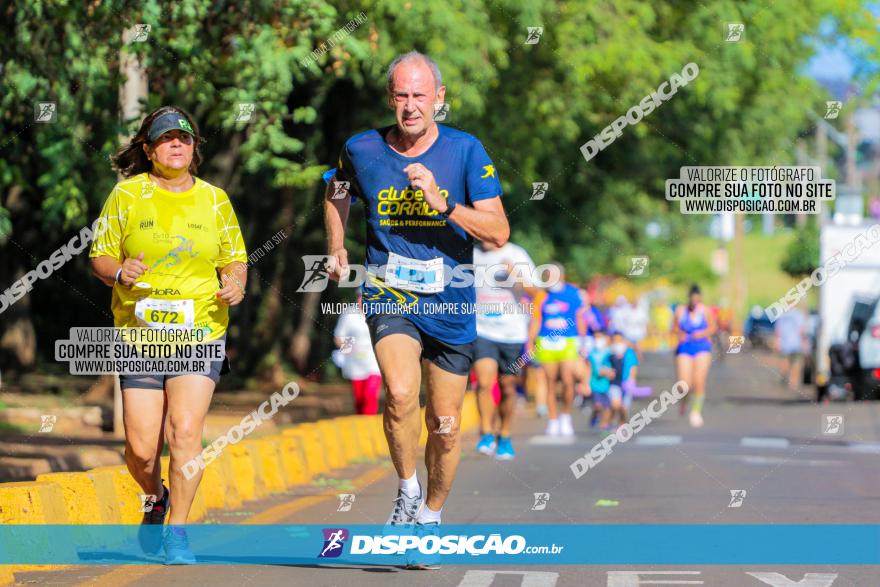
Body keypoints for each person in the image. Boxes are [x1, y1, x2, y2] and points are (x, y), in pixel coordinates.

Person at [323, 51, 509, 561]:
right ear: (391, 98)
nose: (410, 106)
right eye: (401, 95)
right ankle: (406, 492)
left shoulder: (467, 151)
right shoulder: (361, 148)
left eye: (420, 96)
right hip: (389, 292)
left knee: (445, 429)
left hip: (451, 302)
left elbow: (498, 232)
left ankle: (431, 513)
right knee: (401, 395)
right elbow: (336, 188)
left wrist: (444, 202)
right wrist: (336, 244)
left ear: (439, 99)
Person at [89, 106, 247, 564]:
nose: (177, 144)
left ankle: (177, 529)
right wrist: (120, 272)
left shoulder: (215, 199)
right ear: (148, 148)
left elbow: (235, 258)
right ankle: (155, 497)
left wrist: (235, 281)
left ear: (195, 148)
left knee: (184, 432)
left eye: (185, 138)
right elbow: (100, 256)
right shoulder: (126, 196)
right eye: (166, 139)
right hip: (141, 336)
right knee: (140, 449)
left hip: (200, 330)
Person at [472, 239, 536, 460]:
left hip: (512, 332)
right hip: (482, 330)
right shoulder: (473, 254)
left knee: (508, 388)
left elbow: (537, 292)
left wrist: (516, 276)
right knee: (483, 383)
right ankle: (487, 433)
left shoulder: (517, 254)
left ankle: (505, 435)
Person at [527, 265, 587, 437]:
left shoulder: (572, 293)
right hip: (546, 341)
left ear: (561, 275)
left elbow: (579, 317)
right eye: (547, 274)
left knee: (568, 380)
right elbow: (536, 320)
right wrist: (530, 342)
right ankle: (553, 420)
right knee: (550, 381)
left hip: (568, 340)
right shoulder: (542, 296)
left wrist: (583, 342)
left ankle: (566, 416)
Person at [672, 285, 715, 428]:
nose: (695, 302)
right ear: (689, 298)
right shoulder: (680, 310)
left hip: (702, 347)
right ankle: (683, 401)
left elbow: (713, 327)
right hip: (685, 348)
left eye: (698, 299)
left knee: (699, 381)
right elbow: (674, 328)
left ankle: (696, 411)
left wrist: (702, 334)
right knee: (684, 384)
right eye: (693, 299)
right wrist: (680, 334)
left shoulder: (705, 311)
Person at [333, 294, 382, 414]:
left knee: (370, 395)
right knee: (359, 398)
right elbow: (339, 337)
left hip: (374, 361)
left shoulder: (380, 312)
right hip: (354, 362)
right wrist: (350, 349)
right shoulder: (349, 314)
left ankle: (369, 423)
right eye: (361, 296)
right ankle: (360, 423)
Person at [587, 329, 616, 434]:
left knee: (608, 407)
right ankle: (595, 415)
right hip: (595, 384)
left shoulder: (610, 352)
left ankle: (604, 425)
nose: (598, 340)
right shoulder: (591, 354)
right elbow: (591, 369)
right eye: (596, 338)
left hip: (607, 385)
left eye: (600, 337)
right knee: (598, 405)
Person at [774, 303, 807, 392]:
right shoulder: (799, 315)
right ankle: (793, 382)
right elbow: (802, 330)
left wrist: (777, 342)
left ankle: (785, 379)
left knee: (785, 363)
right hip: (796, 343)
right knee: (796, 363)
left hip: (785, 344)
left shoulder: (782, 315)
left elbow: (778, 331)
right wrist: (804, 342)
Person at [608, 331, 639, 425]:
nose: (618, 343)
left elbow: (633, 367)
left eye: (620, 341)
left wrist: (631, 381)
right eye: (615, 341)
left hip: (626, 383)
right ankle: (609, 421)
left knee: (624, 408)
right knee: (615, 405)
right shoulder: (609, 354)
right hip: (614, 383)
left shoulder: (630, 353)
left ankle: (622, 425)